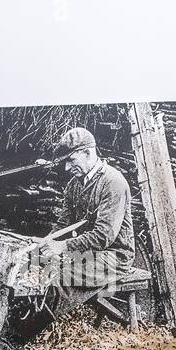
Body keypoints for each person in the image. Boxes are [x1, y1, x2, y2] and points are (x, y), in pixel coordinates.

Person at [40, 127, 135, 315]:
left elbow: (103, 236)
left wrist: (62, 247)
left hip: (114, 256)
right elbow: (64, 224)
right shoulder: (74, 185)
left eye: (71, 160)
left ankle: (32, 329)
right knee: (36, 264)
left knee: (59, 275)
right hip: (88, 253)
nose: (67, 168)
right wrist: (47, 242)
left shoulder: (112, 182)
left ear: (88, 152)